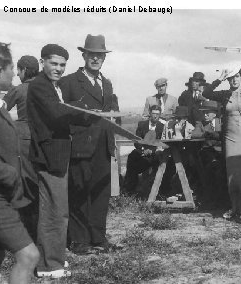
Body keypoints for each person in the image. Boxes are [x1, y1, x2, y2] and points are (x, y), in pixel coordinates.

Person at [27, 44, 92, 278]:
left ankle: (52, 259)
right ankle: (49, 265)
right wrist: (85, 110)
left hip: (56, 153)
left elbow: (61, 114)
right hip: (50, 154)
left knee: (54, 209)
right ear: (42, 61)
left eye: (63, 65)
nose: (58, 69)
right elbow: (57, 113)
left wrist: (88, 117)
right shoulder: (39, 86)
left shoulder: (50, 86)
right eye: (54, 63)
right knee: (55, 211)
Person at [59, 34, 121, 255]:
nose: (96, 59)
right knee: (78, 193)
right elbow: (61, 113)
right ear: (84, 55)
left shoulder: (107, 83)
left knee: (100, 194)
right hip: (81, 148)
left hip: (103, 147)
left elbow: (114, 115)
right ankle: (79, 240)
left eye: (100, 55)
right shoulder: (69, 82)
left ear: (104, 58)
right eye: (92, 55)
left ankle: (98, 238)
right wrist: (81, 110)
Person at [0, 41, 40, 284]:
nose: (15, 73)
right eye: (11, 68)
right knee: (29, 256)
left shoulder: (0, 105)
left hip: (4, 194)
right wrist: (11, 174)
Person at [203, 67, 241, 219]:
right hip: (230, 136)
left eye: (237, 76)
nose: (234, 79)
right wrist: (220, 79)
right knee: (233, 173)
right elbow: (206, 93)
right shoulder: (224, 94)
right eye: (231, 78)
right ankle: (237, 209)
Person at [3, 55, 40, 242]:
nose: (17, 74)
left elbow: (1, 109)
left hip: (24, 140)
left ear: (24, 70)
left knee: (26, 183)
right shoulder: (45, 87)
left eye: (19, 70)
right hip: (44, 139)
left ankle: (28, 230)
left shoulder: (19, 89)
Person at [191, 100, 229, 208]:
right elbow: (195, 134)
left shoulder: (221, 122)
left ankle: (224, 200)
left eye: (208, 112)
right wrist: (209, 134)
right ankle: (213, 199)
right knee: (211, 168)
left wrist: (212, 135)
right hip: (207, 154)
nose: (205, 115)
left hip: (222, 153)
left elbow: (224, 135)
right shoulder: (201, 123)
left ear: (215, 113)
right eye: (203, 113)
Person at [123, 104, 165, 196]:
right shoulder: (142, 125)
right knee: (132, 156)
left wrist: (152, 151)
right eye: (153, 113)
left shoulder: (162, 127)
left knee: (139, 165)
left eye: (157, 114)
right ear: (150, 113)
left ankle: (135, 187)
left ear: (160, 115)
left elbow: (162, 143)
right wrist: (143, 150)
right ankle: (130, 187)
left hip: (155, 154)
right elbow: (136, 141)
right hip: (141, 151)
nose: (155, 116)